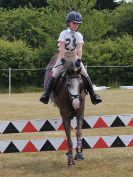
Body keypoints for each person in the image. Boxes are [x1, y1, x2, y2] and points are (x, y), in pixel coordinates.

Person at [40, 11, 102, 105]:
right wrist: (62, 59)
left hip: (74, 56)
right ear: (68, 23)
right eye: (74, 23)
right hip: (63, 56)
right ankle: (46, 95)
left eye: (77, 24)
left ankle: (94, 96)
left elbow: (79, 49)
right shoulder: (63, 33)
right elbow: (61, 48)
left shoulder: (79, 35)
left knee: (85, 73)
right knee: (55, 73)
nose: (75, 25)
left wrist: (79, 59)